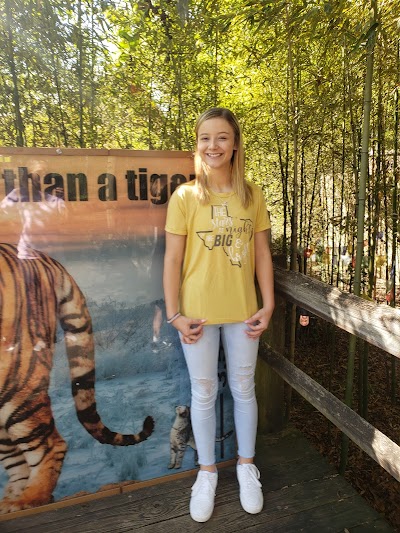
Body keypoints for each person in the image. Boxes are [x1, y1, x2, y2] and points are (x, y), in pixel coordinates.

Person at [163, 107, 274, 523]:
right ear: (198, 145)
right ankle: (206, 473)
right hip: (197, 315)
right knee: (204, 392)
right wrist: (174, 314)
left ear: (235, 144)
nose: (214, 145)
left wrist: (269, 303)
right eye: (206, 137)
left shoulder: (252, 194)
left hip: (244, 312)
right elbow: (173, 260)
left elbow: (261, 252)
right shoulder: (185, 197)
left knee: (244, 389)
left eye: (222, 137)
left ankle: (247, 466)